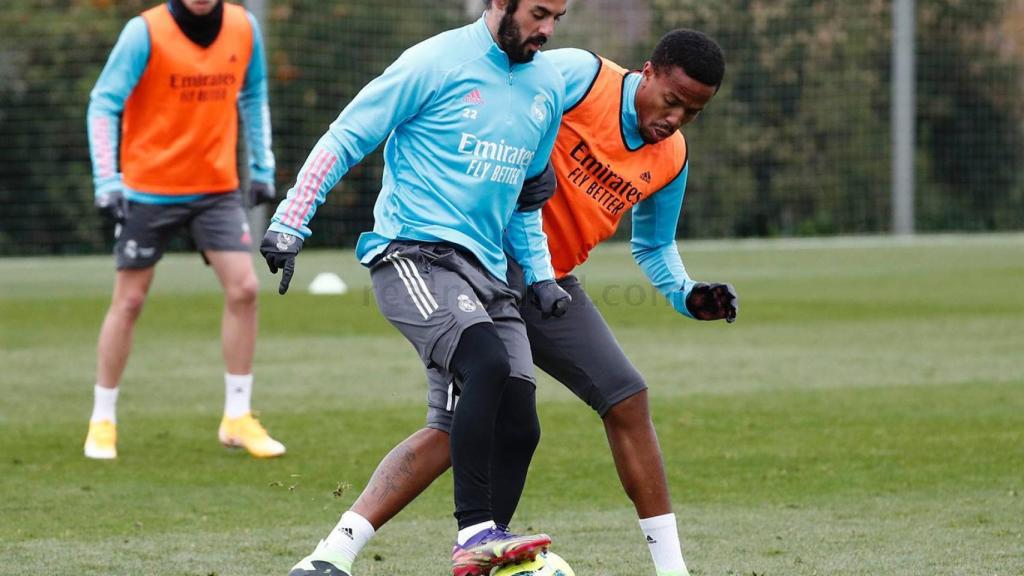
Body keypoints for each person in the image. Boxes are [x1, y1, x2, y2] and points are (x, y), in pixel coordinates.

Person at [285, 29, 739, 576]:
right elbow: (505, 99)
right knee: (461, 421)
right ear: (647, 73)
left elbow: (654, 244)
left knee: (626, 398)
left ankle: (671, 569)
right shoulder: (579, 76)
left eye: (693, 112)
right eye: (672, 100)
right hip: (475, 263)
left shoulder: (672, 156)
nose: (677, 118)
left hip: (550, 285)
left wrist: (689, 294)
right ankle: (338, 552)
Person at [258, 1, 571, 575]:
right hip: (413, 254)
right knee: (487, 366)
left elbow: (528, 199)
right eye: (539, 13)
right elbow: (347, 135)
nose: (548, 30)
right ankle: (475, 534)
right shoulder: (433, 61)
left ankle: (453, 556)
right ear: (499, 3)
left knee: (518, 418)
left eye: (558, 17)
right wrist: (290, 221)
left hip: (489, 275)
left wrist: (543, 275)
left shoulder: (546, 86)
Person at [84, 0, 284, 461]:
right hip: (147, 190)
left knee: (245, 289)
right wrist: (108, 180)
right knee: (129, 301)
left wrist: (261, 166)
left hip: (215, 188)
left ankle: (237, 417)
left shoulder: (243, 27)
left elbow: (254, 97)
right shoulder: (144, 32)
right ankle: (103, 418)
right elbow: (103, 103)